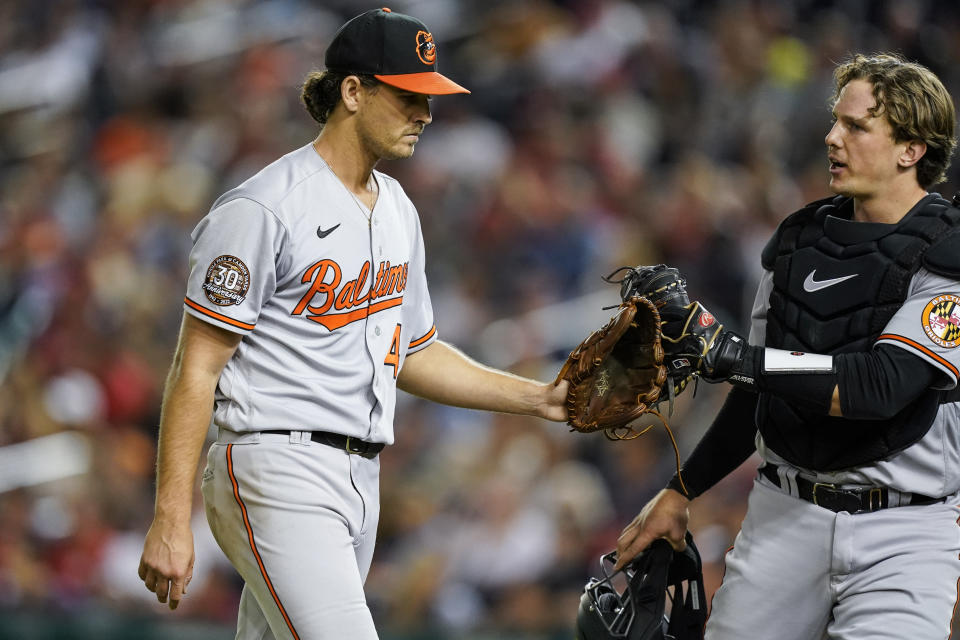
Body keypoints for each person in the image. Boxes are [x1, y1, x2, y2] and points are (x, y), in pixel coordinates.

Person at [136, 8, 569, 639]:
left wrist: (537, 398)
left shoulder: (397, 208)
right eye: (408, 96)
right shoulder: (265, 206)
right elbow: (195, 365)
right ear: (353, 91)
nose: (425, 114)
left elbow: (413, 353)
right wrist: (170, 516)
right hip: (275, 464)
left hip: (360, 479)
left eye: (430, 99)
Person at [615, 53, 960, 640]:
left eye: (856, 126)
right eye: (835, 121)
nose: (832, 137)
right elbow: (759, 393)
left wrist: (730, 356)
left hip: (906, 532)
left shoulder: (949, 257)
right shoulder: (800, 243)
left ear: (911, 149)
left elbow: (881, 389)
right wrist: (681, 489)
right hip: (785, 513)